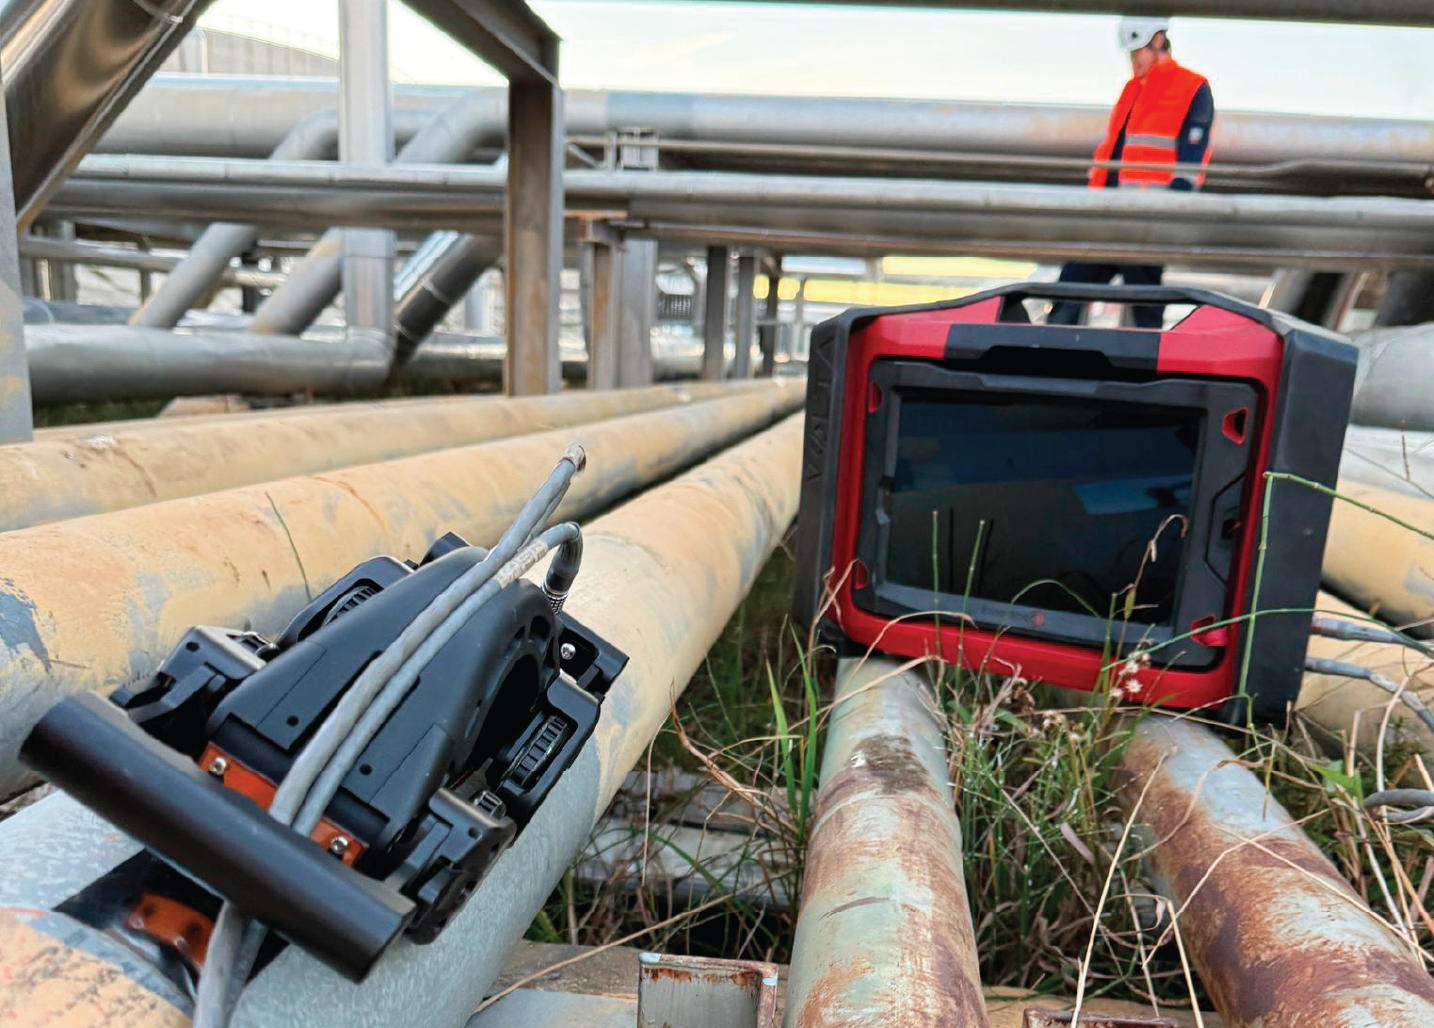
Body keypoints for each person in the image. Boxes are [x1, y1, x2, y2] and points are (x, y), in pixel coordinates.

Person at [1047, 17, 1215, 329]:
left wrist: (1171, 208)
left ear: (1158, 41)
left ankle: (1147, 360)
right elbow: (1116, 150)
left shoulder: (1192, 86)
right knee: (1068, 290)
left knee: (1144, 304)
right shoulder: (1132, 89)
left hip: (1147, 219)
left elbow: (1192, 159)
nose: (1132, 61)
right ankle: (1044, 348)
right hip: (1108, 215)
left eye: (1137, 52)